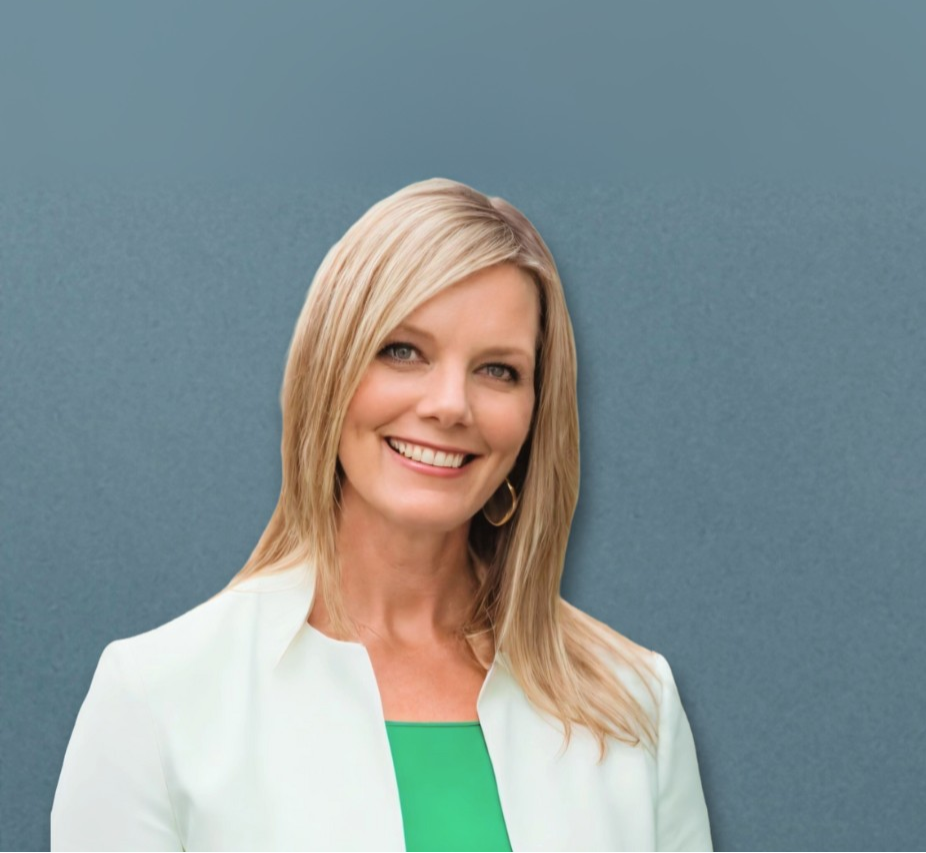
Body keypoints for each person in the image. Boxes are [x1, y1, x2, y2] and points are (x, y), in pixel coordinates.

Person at [49, 178, 713, 852]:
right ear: (328, 370)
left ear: (536, 413)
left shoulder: (637, 704)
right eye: (403, 351)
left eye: (498, 370)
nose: (450, 405)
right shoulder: (156, 698)